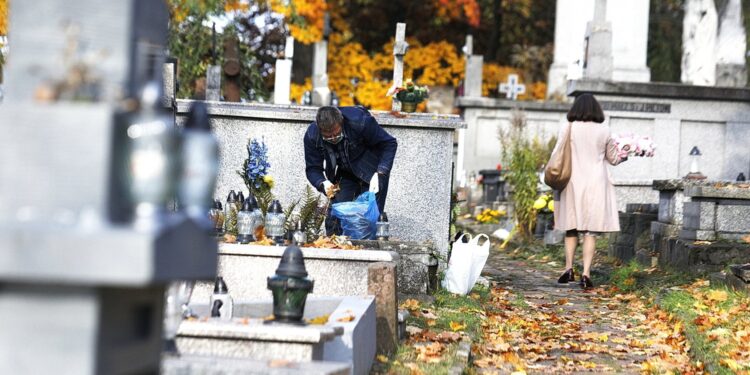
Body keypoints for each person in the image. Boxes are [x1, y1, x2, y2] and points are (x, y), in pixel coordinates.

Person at [552, 94, 625, 289]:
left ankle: (568, 269)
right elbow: (613, 159)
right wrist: (626, 154)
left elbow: (557, 153)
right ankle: (586, 273)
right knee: (590, 231)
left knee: (571, 227)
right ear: (596, 109)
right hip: (595, 182)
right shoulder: (604, 129)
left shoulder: (568, 127)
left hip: (572, 181)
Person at [303, 106, 398, 235]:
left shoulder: (360, 122)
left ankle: (369, 251)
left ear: (341, 122)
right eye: (328, 137)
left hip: (372, 169)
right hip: (344, 172)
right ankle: (335, 249)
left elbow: (389, 143)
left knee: (369, 218)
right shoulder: (312, 135)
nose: (333, 138)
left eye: (336, 134)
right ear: (320, 129)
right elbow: (313, 168)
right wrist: (322, 183)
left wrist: (381, 171)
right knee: (335, 217)